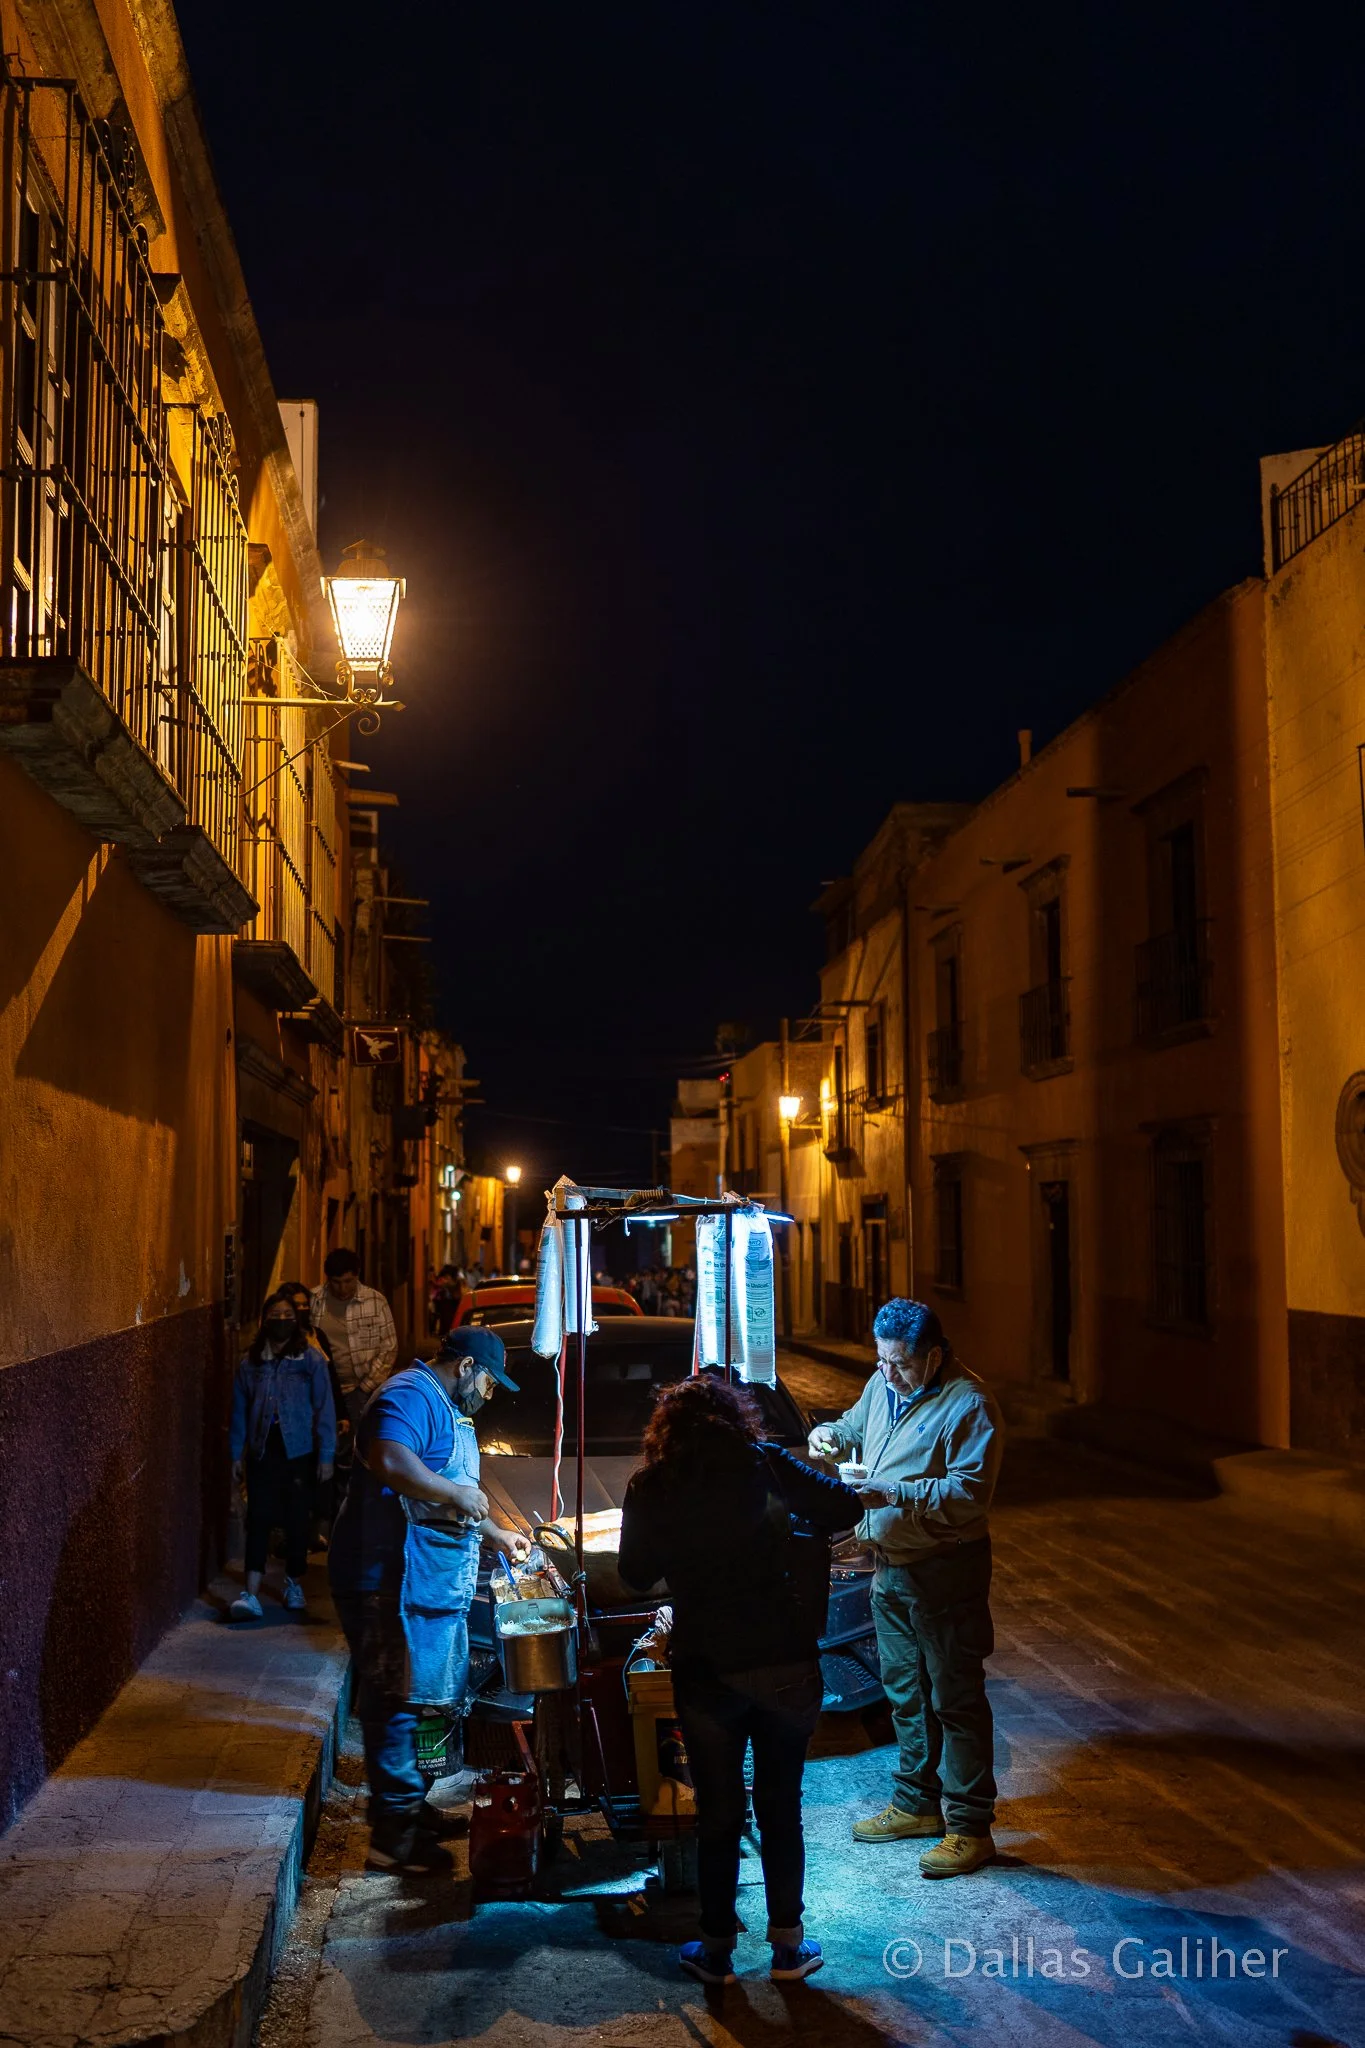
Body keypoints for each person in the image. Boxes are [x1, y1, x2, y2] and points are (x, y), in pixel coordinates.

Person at [618, 1374, 862, 1985]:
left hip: (708, 1670)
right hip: (785, 1659)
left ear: (665, 1431)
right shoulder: (768, 1464)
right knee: (781, 1807)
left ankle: (717, 1950)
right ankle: (787, 1948)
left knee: (719, 1814)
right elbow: (843, 1505)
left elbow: (634, 1573)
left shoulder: (652, 1485)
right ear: (737, 1420)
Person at [809, 1298, 1003, 1878]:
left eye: (899, 1364)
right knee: (905, 1692)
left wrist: (896, 1493)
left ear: (933, 1355)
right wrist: (830, 1437)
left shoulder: (970, 1405)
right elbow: (853, 1425)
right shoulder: (883, 1382)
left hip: (945, 1569)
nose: (887, 1374)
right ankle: (918, 1805)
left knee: (954, 1696)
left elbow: (969, 1495)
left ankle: (970, 1826)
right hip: (890, 1566)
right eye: (882, 1360)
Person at [327, 1326, 530, 1874]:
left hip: (419, 1581)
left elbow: (453, 1489)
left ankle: (410, 1809)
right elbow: (391, 1460)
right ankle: (392, 1841)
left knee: (418, 1698)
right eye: (489, 1382)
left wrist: (494, 1532)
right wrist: (457, 1494)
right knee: (394, 1700)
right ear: (465, 1367)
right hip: (384, 1578)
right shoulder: (409, 1395)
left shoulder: (445, 1405)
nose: (489, 1395)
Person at [228, 1290, 336, 1621]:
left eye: (288, 1315)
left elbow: (324, 1408)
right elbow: (239, 1411)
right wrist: (236, 1453)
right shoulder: (251, 1362)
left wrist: (326, 1454)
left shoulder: (310, 1360)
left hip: (300, 1450)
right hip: (262, 1450)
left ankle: (293, 1582)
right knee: (258, 1517)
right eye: (275, 1314)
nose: (282, 1320)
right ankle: (252, 1592)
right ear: (264, 1320)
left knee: (296, 1519)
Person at [311, 1248, 397, 1431]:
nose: (342, 1288)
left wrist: (365, 1388)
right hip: (322, 1389)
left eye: (348, 1281)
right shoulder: (314, 1301)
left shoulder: (375, 1302)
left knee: (359, 1442)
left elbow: (388, 1348)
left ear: (357, 1276)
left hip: (360, 1390)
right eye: (336, 1282)